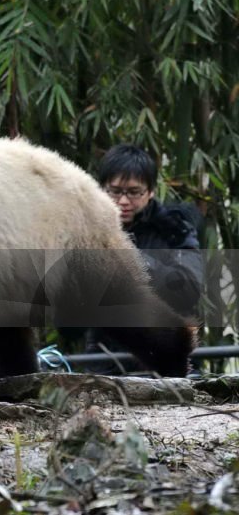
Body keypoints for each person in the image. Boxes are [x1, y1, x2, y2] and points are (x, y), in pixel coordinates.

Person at [87, 145, 204, 370]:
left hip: (166, 354)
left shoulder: (175, 229)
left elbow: (189, 289)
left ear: (150, 191)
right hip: (105, 358)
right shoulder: (89, 230)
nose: (122, 201)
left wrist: (133, 258)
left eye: (133, 192)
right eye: (114, 191)